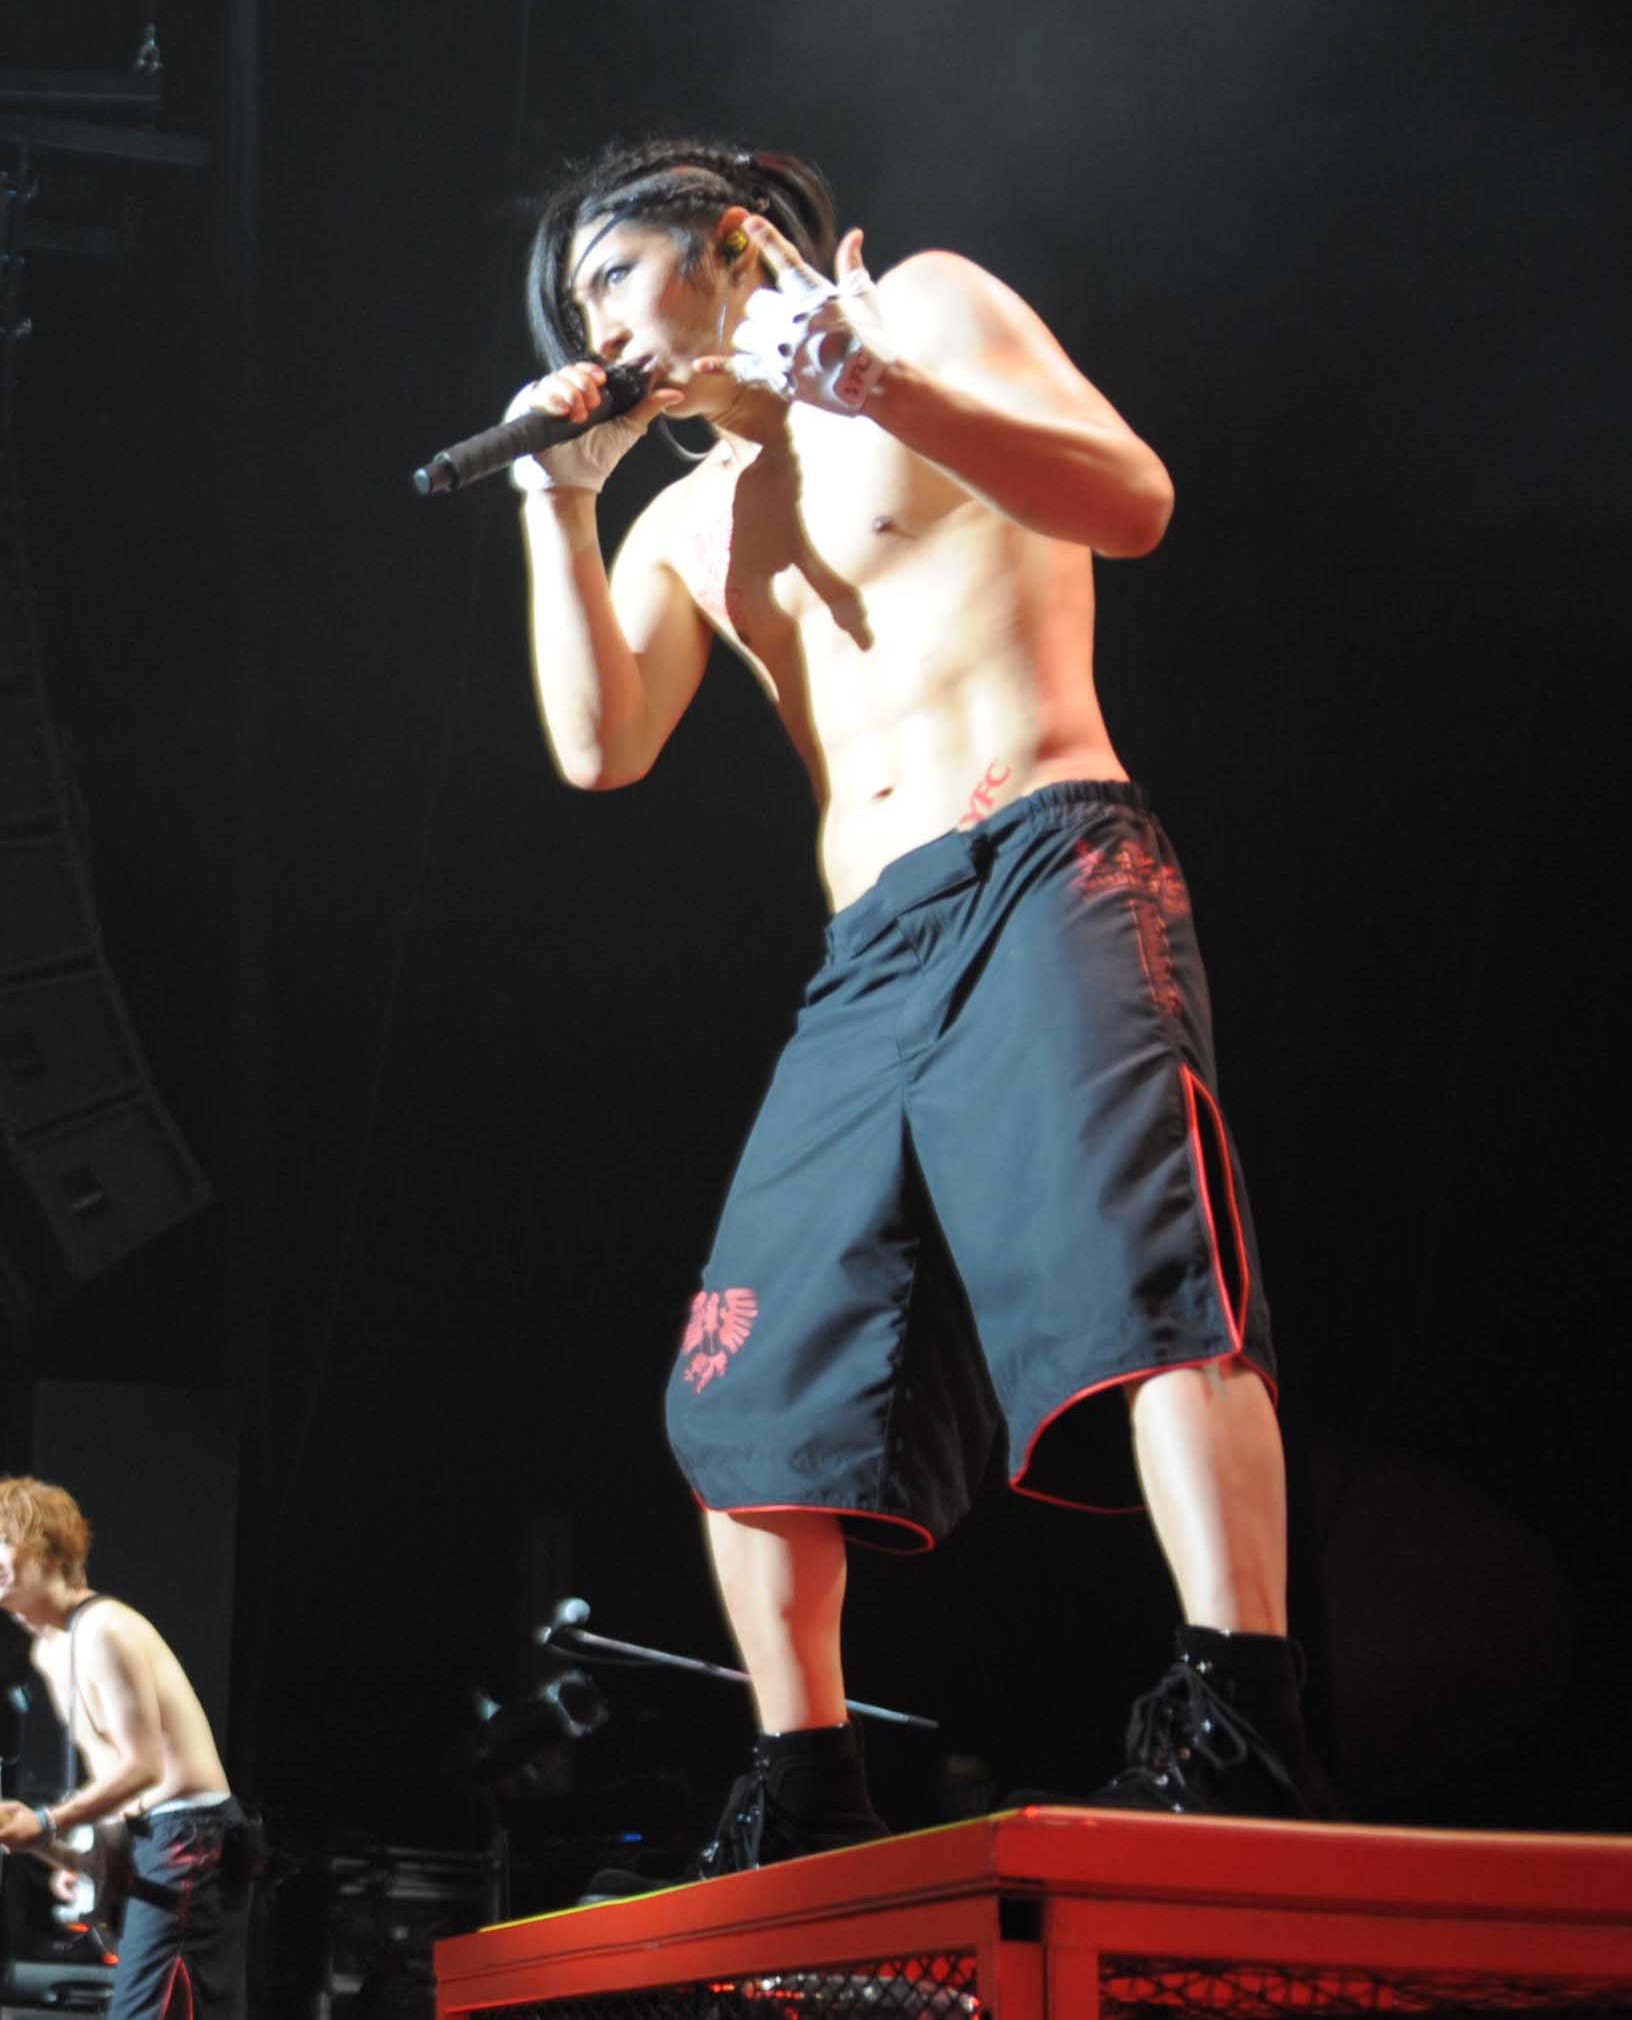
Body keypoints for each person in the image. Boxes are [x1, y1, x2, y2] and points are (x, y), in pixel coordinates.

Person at [500, 139, 1334, 1873]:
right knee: (742, 1385)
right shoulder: (677, 513)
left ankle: (1240, 1706)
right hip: (867, 947)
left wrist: (875, 384)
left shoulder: (924, 307)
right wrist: (554, 498)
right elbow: (597, 748)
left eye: (606, 280)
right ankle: (800, 1784)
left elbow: (1132, 499)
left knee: (1137, 1277)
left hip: (1042, 853)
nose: (594, 325)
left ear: (729, 246)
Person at [0, 1478, 256, 2020]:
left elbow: (146, 1765)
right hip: (165, 1838)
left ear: (52, 1549)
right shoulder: (51, 1653)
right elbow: (127, 1807)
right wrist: (54, 1848)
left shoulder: (104, 1629)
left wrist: (53, 1820)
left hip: (196, 1835)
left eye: (5, 1540)